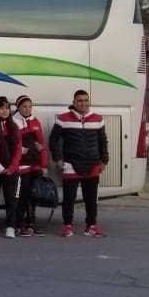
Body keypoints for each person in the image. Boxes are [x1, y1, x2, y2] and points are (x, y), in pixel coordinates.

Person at [50, 89, 108, 237]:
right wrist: (57, 159)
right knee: (69, 198)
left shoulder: (98, 119)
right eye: (80, 100)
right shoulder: (63, 118)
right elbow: (53, 140)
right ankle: (67, 225)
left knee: (91, 199)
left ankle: (91, 226)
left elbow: (103, 141)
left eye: (85, 100)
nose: (83, 103)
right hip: (70, 164)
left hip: (93, 164)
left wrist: (104, 160)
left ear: (89, 102)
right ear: (74, 102)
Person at [12, 95, 48, 236]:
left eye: (29, 106)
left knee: (33, 195)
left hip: (35, 165)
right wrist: (20, 150)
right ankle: (19, 223)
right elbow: (12, 143)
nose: (27, 109)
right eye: (24, 106)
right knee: (22, 195)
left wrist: (44, 165)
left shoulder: (35, 121)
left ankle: (31, 223)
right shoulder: (13, 122)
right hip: (21, 166)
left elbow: (42, 145)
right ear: (18, 107)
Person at [0, 96, 22, 238]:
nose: (5, 111)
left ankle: (10, 226)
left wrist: (13, 167)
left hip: (10, 169)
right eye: (1, 108)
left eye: (7, 108)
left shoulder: (14, 126)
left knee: (11, 199)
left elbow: (18, 148)